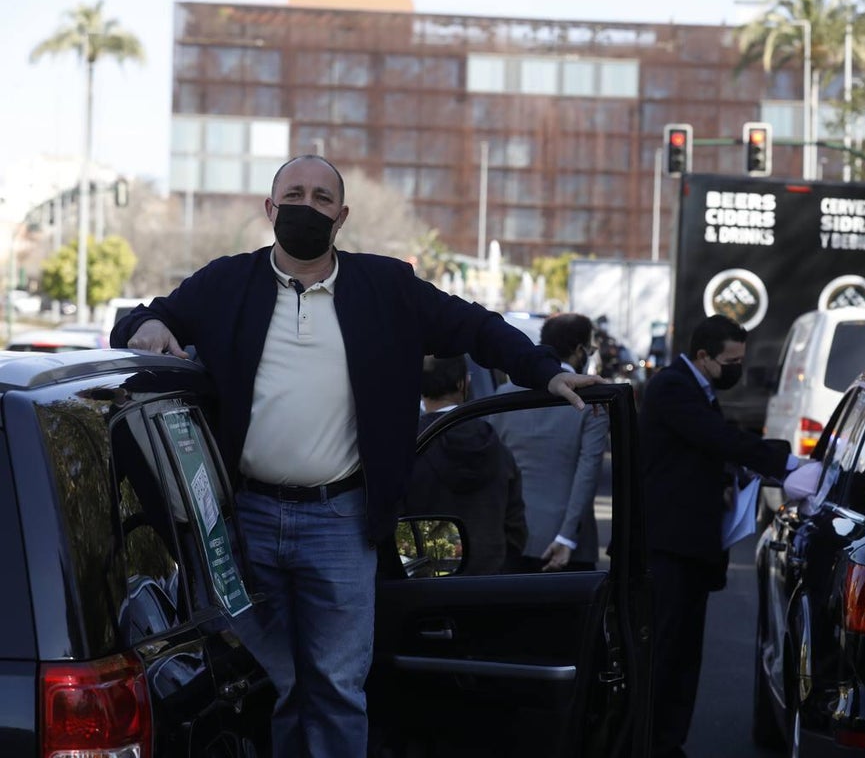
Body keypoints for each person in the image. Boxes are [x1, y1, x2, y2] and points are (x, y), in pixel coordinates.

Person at [109, 154, 603, 758]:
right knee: (276, 682)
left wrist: (547, 373)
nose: (306, 207)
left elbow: (477, 327)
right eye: (294, 194)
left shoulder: (385, 288)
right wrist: (153, 323)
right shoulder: (226, 283)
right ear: (269, 209)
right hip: (245, 522)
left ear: (341, 217)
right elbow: (138, 319)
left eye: (322, 199)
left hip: (340, 522)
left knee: (339, 686)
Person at [638, 314, 800, 758]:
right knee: (667, 653)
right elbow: (716, 439)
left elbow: (705, 451)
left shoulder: (698, 389)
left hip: (690, 545)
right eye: (731, 360)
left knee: (686, 653)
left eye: (742, 360)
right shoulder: (673, 388)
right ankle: (653, 742)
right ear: (704, 356)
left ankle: (668, 741)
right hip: (670, 546)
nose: (737, 369)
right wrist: (784, 464)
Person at [487, 313, 609, 572]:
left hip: (510, 537)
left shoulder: (503, 396)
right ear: (579, 351)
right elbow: (588, 472)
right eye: (591, 349)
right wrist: (566, 537)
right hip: (567, 547)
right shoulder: (589, 402)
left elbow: (491, 467)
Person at [405, 354, 527, 575]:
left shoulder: (406, 446)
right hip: (488, 580)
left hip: (423, 580)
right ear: (463, 383)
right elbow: (515, 525)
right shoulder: (496, 447)